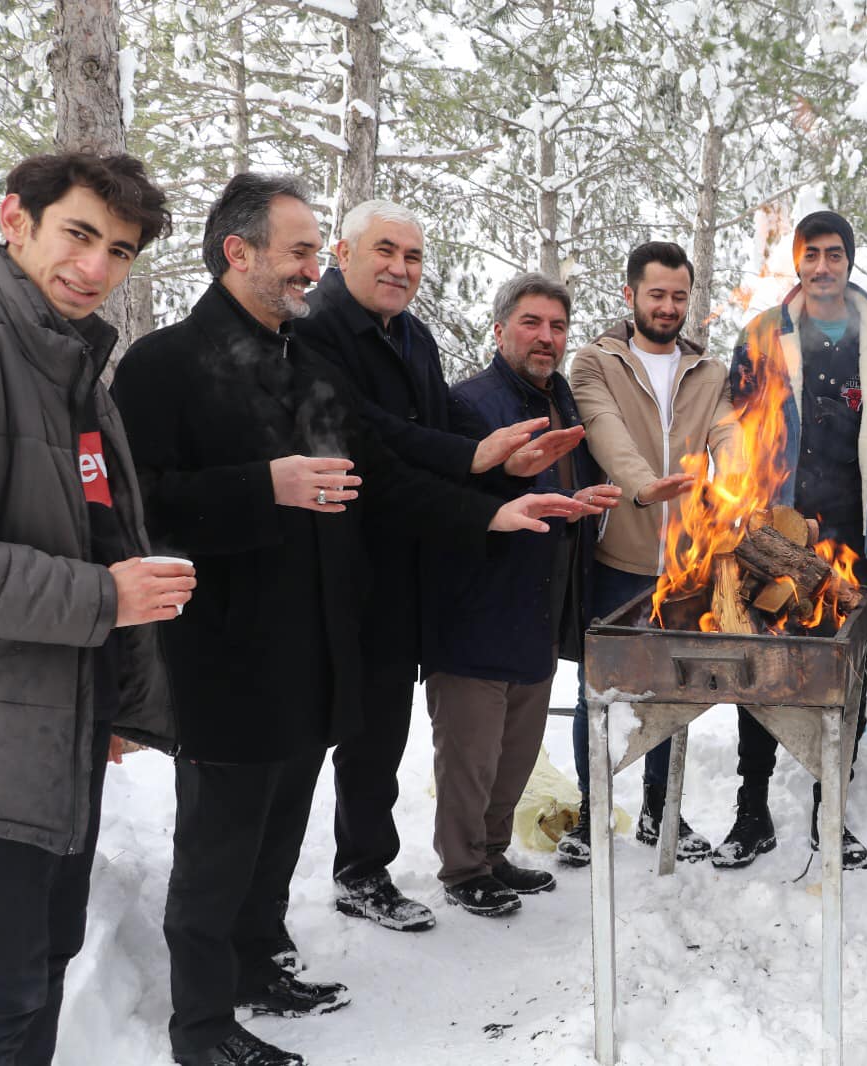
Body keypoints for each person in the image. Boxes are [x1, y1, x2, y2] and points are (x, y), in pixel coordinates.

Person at [112, 174, 598, 1066]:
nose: (312, 267)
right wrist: (267, 486)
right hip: (225, 649)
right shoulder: (162, 365)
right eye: (300, 251)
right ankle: (201, 1025)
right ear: (239, 252)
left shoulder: (305, 365)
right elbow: (145, 508)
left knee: (279, 827)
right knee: (218, 844)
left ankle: (260, 966)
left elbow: (382, 466)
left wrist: (490, 498)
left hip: (316, 641)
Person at [294, 200, 581, 932]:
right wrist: (480, 476)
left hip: (402, 569)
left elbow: (439, 431)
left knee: (384, 733)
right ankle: (357, 872)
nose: (400, 267)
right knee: (350, 738)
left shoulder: (413, 336)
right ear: (342, 251)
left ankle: (374, 865)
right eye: (385, 250)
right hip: (336, 564)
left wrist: (504, 463)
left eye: (413, 256)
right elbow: (373, 445)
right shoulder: (315, 330)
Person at [0, 151, 188, 1066]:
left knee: (38, 974)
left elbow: (96, 529)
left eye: (122, 249)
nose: (97, 267)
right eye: (79, 234)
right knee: (0, 999)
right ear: (15, 217)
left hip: (52, 731)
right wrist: (105, 601)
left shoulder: (75, 368)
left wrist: (110, 696)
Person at [710, 210, 867, 871]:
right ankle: (753, 807)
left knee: (843, 678)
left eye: (833, 254)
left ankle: (835, 812)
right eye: (810, 255)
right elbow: (730, 429)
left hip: (852, 537)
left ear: (850, 262)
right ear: (795, 264)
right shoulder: (763, 335)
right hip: (776, 535)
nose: (822, 266)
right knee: (759, 669)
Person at [422, 272, 619, 917]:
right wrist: (507, 495)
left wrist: (583, 503)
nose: (546, 337)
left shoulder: (563, 402)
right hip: (478, 609)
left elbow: (563, 491)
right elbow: (451, 500)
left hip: (541, 606)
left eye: (558, 326)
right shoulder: (467, 404)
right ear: (500, 328)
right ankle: (461, 867)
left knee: (517, 752)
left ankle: (494, 852)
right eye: (532, 323)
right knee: (470, 756)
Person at [562, 241, 736, 866]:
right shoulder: (595, 363)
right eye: (656, 294)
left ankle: (662, 809)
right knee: (601, 694)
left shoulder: (709, 372)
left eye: (679, 296)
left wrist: (738, 482)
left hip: (688, 566)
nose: (668, 306)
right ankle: (593, 809)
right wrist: (642, 487)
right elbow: (604, 431)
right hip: (619, 560)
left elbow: (729, 431)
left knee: (675, 691)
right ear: (629, 294)